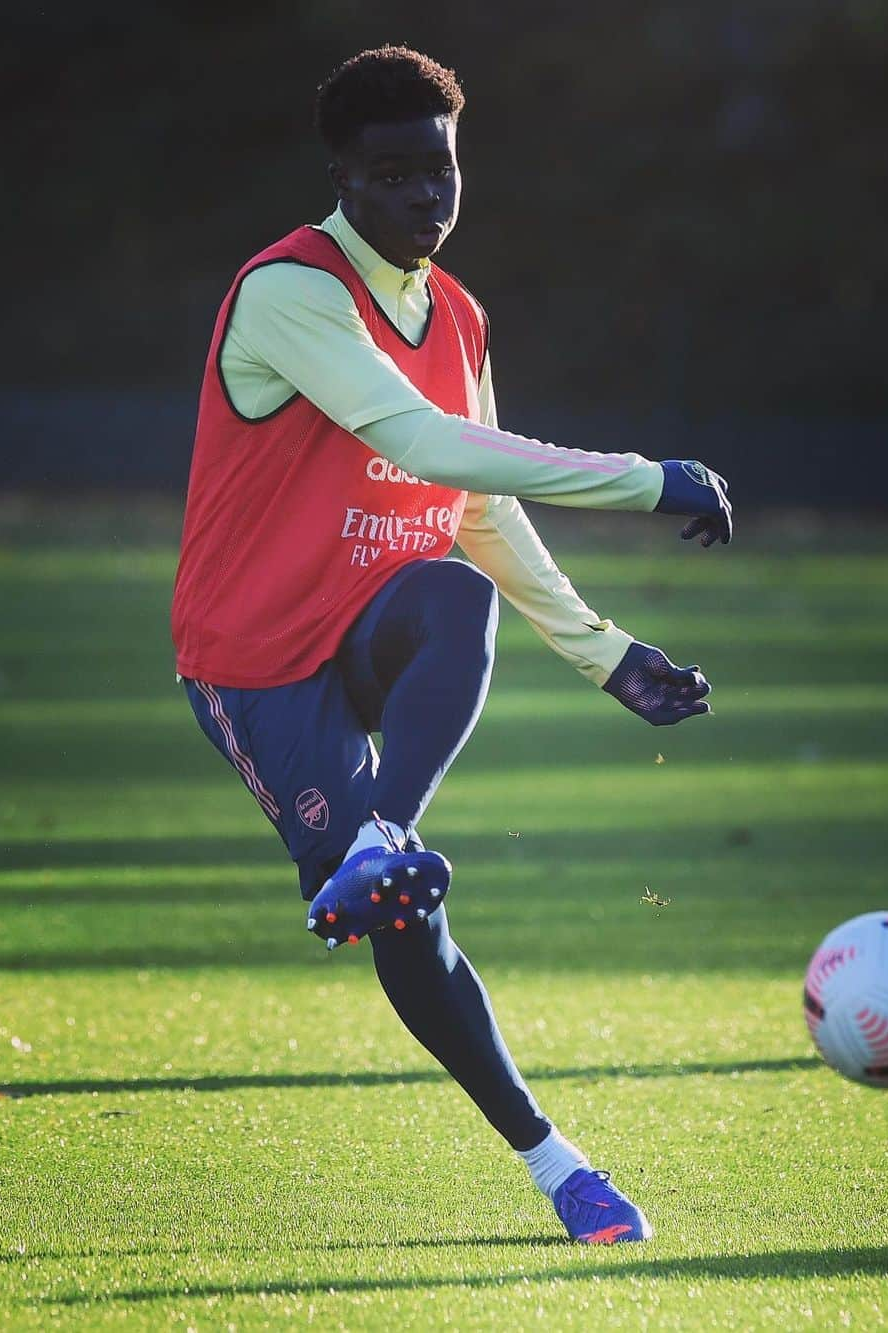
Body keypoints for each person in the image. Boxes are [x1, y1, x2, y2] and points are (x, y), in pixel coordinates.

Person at [171, 45, 732, 1245]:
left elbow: (477, 511)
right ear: (343, 177)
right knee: (406, 925)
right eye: (392, 176)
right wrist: (646, 482)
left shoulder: (458, 312)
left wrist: (602, 649)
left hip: (374, 621)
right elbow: (424, 445)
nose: (424, 196)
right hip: (255, 656)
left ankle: (383, 835)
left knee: (451, 595)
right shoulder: (292, 288)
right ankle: (558, 1165)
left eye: (440, 170)